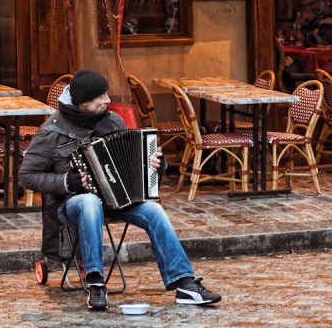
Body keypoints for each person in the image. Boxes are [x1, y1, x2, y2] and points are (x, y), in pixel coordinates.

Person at [18, 69, 221, 311]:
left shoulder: (112, 120)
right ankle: (95, 282)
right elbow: (26, 176)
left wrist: (157, 165)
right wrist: (66, 182)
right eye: (101, 97)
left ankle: (185, 284)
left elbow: (133, 162)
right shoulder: (51, 132)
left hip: (116, 201)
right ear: (83, 103)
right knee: (89, 202)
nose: (107, 101)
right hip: (70, 206)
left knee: (154, 211)